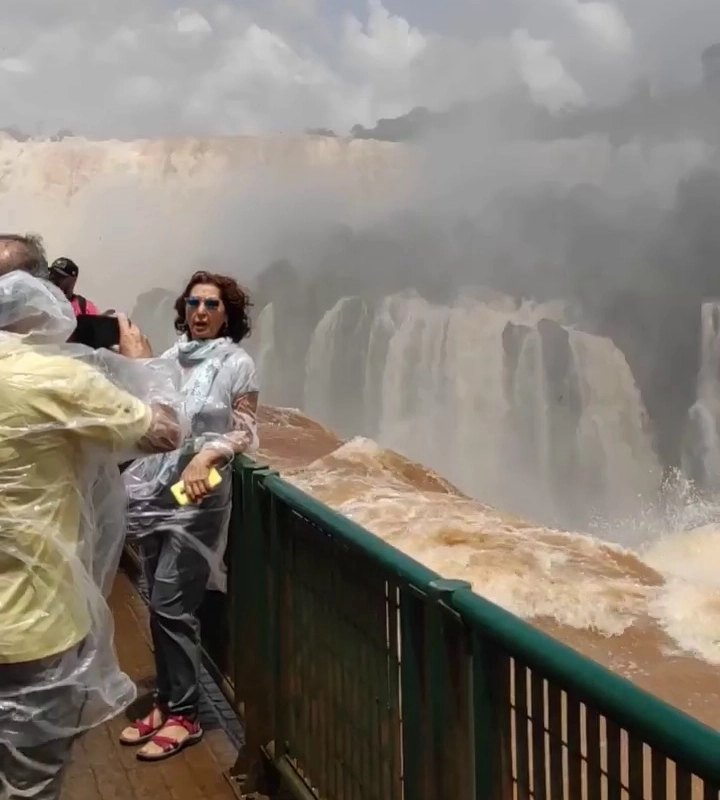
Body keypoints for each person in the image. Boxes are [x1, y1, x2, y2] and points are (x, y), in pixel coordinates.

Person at [0, 234, 188, 800]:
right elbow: (164, 432)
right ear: (44, 294)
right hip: (35, 628)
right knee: (28, 787)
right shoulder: (57, 378)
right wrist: (143, 365)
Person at [121, 270, 259, 762]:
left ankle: (186, 714)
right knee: (156, 599)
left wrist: (209, 455)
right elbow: (152, 416)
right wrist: (136, 366)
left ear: (229, 315)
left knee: (173, 604)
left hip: (197, 499)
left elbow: (244, 429)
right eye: (194, 303)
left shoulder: (238, 364)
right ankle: (165, 700)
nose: (201, 312)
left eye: (212, 305)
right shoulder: (167, 359)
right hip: (156, 491)